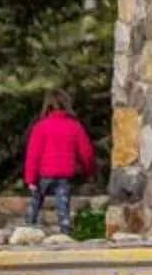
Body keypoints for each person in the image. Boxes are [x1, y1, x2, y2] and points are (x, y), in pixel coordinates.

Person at [22, 91, 97, 233]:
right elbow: (86, 153)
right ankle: (65, 228)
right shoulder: (74, 127)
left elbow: (33, 155)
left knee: (36, 201)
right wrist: (89, 170)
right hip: (64, 175)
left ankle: (28, 225)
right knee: (63, 205)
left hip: (44, 175)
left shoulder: (41, 127)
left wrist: (30, 179)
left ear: (48, 107)